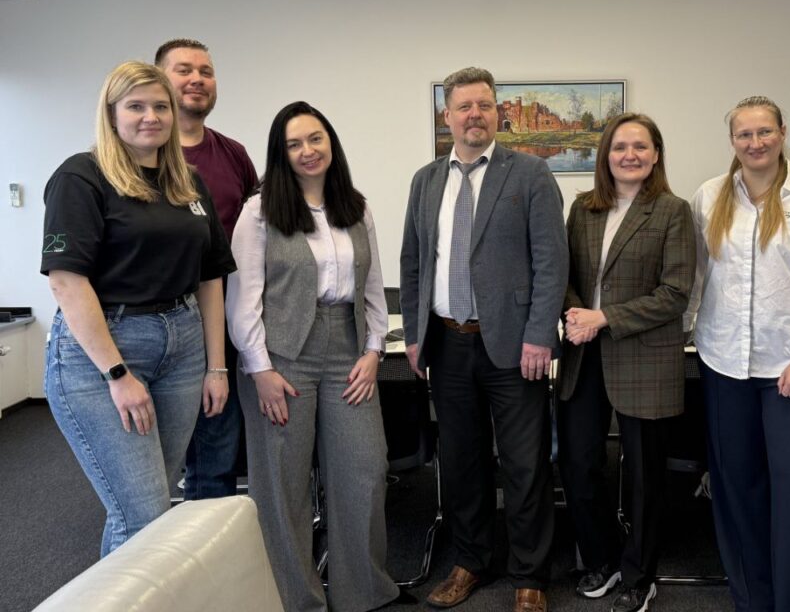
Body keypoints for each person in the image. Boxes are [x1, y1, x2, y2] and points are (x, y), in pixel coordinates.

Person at [41, 61, 234, 556]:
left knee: (144, 508)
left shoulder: (187, 182)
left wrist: (216, 367)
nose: (151, 116)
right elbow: (67, 281)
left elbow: (211, 276)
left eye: (161, 106)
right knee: (143, 514)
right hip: (105, 349)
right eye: (136, 106)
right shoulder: (81, 177)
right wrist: (117, 373)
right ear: (111, 113)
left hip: (183, 344)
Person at [399, 67, 568, 612]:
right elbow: (413, 261)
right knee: (461, 461)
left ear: (499, 114)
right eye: (464, 106)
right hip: (447, 344)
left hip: (516, 347)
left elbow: (551, 261)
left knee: (524, 464)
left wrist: (540, 335)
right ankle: (471, 560)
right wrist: (414, 335)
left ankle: (530, 575)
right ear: (447, 116)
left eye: (485, 105)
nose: (475, 114)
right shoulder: (426, 180)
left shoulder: (531, 173)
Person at [227, 101, 399, 612]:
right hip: (281, 356)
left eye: (315, 138)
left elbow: (372, 287)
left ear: (331, 143)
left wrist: (374, 350)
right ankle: (296, 600)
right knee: (282, 484)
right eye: (294, 144)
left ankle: (363, 592)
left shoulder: (356, 207)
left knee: (365, 469)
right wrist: (259, 369)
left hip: (348, 349)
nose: (307, 150)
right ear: (280, 154)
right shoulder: (259, 212)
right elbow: (243, 299)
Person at [687, 96, 790, 611]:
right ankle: (752, 600)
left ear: (782, 132)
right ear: (732, 141)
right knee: (736, 490)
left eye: (764, 132)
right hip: (724, 365)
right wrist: (679, 335)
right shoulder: (709, 196)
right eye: (744, 134)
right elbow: (695, 278)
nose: (755, 142)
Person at [557, 113, 695, 612]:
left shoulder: (673, 211)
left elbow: (675, 293)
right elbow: (563, 274)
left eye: (640, 146)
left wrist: (603, 318)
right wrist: (576, 313)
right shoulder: (583, 209)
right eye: (620, 147)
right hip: (583, 356)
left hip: (643, 359)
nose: (629, 155)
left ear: (656, 155)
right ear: (605, 155)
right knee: (577, 464)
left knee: (644, 476)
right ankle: (603, 558)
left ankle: (640, 574)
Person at [156, 37, 258, 500]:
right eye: (184, 70)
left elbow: (257, 232)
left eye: (206, 71)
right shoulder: (136, 155)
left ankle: (207, 527)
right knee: (149, 459)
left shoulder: (233, 154)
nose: (197, 79)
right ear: (159, 79)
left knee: (218, 443)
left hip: (223, 319)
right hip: (157, 323)